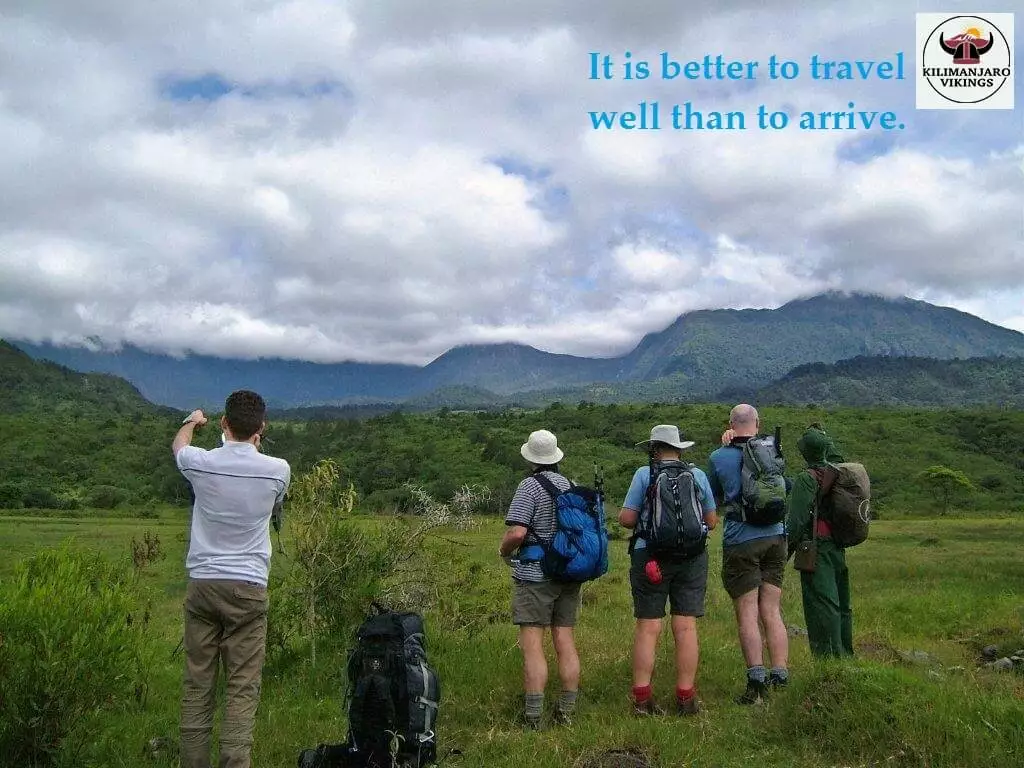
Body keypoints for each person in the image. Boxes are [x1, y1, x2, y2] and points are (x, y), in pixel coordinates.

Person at [173, 390, 291, 768]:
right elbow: (274, 503)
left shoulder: (200, 464)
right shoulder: (278, 469)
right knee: (242, 688)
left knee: (197, 685)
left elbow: (179, 446)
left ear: (224, 423)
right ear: (261, 428)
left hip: (204, 584)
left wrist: (193, 421)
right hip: (249, 588)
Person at [618, 424, 717, 716]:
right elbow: (711, 521)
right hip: (692, 558)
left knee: (648, 627)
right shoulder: (697, 475)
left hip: (650, 558)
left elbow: (626, 519)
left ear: (654, 449)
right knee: (685, 626)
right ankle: (686, 698)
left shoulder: (644, 474)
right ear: (679, 448)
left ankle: (642, 700)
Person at [498, 429, 581, 729]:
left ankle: (533, 717)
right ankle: (567, 712)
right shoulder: (570, 485)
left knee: (533, 645)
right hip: (569, 574)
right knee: (565, 641)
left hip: (535, 574)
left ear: (531, 458)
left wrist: (504, 550)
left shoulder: (529, 487)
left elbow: (518, 532)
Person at [708, 404, 790, 705]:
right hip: (776, 536)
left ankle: (756, 683)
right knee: (772, 609)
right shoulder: (774, 452)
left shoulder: (719, 457)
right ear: (758, 423)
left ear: (731, 424)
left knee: (747, 611)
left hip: (741, 539)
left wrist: (724, 448)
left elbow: (714, 496)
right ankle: (780, 675)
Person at [787, 423, 854, 658]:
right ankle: (845, 652)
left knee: (821, 604)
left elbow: (796, 522)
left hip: (817, 547)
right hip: (837, 545)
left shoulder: (807, 479)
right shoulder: (838, 472)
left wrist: (783, 554)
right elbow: (831, 451)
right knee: (841, 602)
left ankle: (828, 658)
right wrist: (825, 436)